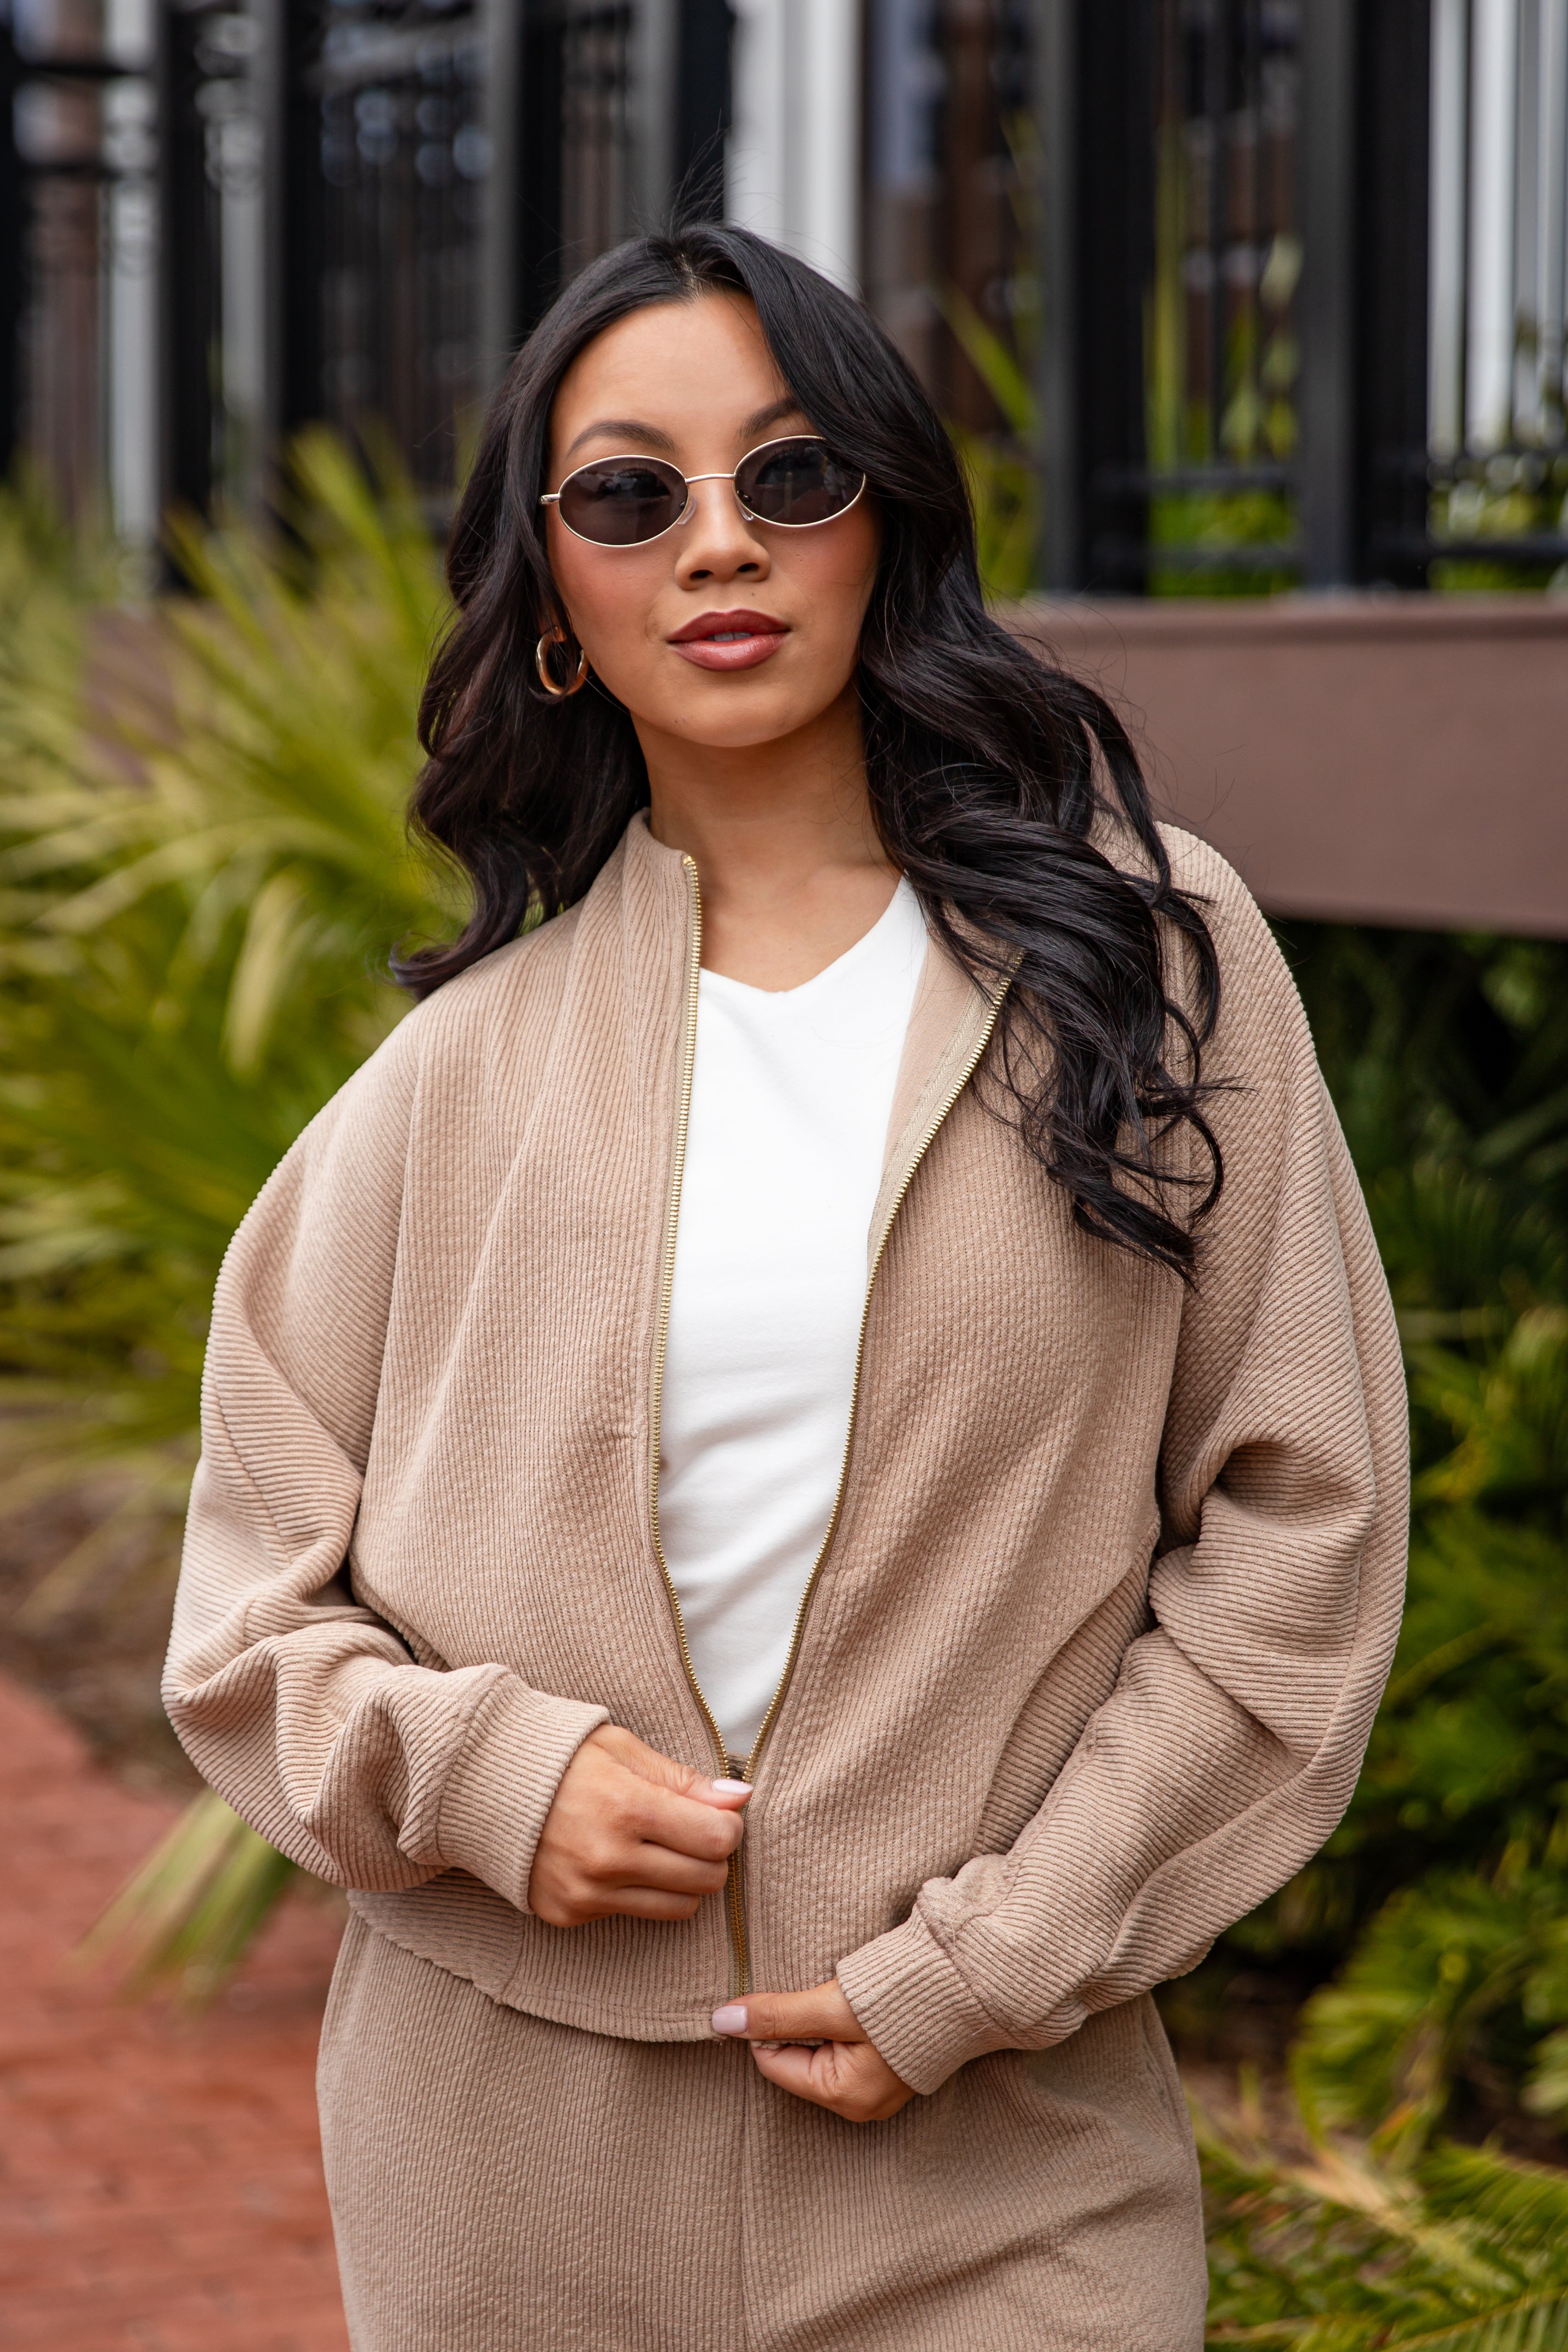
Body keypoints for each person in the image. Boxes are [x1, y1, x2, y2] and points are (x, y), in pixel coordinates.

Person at [163, 224, 1408, 2352]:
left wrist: (1005, 1949)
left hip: (1002, 2154)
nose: (719, 541)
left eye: (791, 473)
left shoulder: (1142, 965)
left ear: (884, 525)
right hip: (507, 2166)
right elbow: (242, 1624)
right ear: (551, 598)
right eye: (628, 494)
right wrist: (492, 1777)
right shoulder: (448, 1083)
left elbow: (1303, 1523)